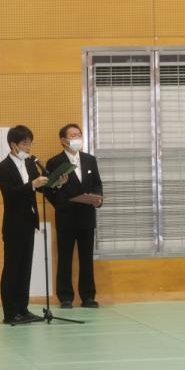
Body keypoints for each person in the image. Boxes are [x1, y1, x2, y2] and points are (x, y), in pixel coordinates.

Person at [0, 125, 61, 324]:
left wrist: (56, 183)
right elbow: (10, 194)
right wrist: (32, 184)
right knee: (12, 269)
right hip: (13, 225)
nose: (28, 147)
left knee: (25, 269)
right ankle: (10, 313)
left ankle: (22, 309)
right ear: (13, 144)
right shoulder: (2, 168)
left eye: (30, 143)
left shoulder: (31, 164)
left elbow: (41, 188)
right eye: (25, 143)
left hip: (29, 223)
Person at [45, 124, 103, 309]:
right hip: (66, 217)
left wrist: (97, 199)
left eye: (79, 134)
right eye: (73, 135)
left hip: (87, 216)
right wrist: (60, 194)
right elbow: (48, 190)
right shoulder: (54, 162)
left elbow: (97, 184)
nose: (77, 138)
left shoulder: (89, 160)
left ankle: (88, 296)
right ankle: (65, 297)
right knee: (65, 258)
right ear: (63, 140)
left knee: (86, 258)